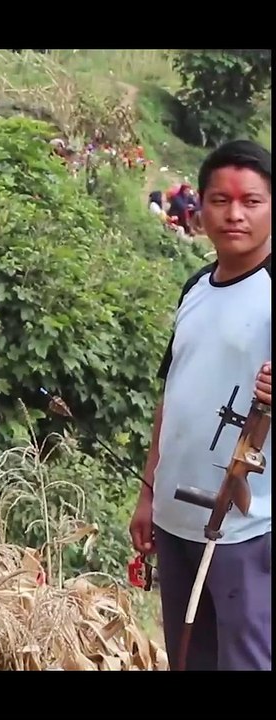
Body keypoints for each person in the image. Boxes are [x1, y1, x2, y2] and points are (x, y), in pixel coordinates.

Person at [129, 139, 271, 672]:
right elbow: (174, 393)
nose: (235, 214)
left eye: (251, 201)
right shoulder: (195, 287)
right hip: (176, 519)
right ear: (200, 207)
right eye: (220, 200)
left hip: (249, 529)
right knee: (189, 659)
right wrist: (148, 492)